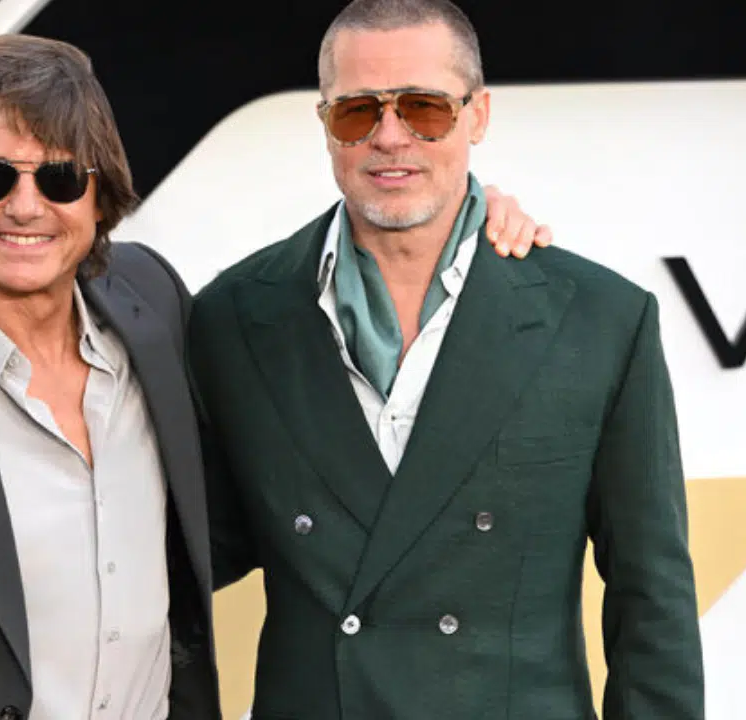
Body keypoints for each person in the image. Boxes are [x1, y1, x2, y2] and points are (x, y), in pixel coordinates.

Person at [0, 32, 549, 720]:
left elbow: (283, 398)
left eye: (60, 178)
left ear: (101, 197)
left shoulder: (152, 306)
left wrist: (467, 221)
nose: (25, 206)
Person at [187, 1, 705, 719]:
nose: (389, 137)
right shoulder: (234, 316)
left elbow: (653, 597)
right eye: (357, 112)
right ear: (325, 124)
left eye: (425, 109)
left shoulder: (599, 318)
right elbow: (191, 556)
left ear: (477, 115)